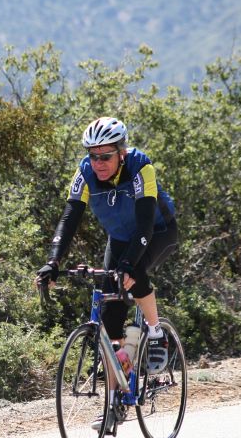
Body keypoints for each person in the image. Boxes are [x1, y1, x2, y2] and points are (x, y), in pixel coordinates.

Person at [36, 116, 179, 377]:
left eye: (106, 156)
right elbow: (69, 218)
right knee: (110, 314)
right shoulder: (85, 173)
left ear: (121, 152)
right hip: (120, 238)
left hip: (158, 231)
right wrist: (53, 260)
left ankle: (157, 334)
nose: (98, 163)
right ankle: (114, 406)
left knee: (134, 273)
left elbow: (145, 224)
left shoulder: (140, 167)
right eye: (93, 156)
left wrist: (129, 263)